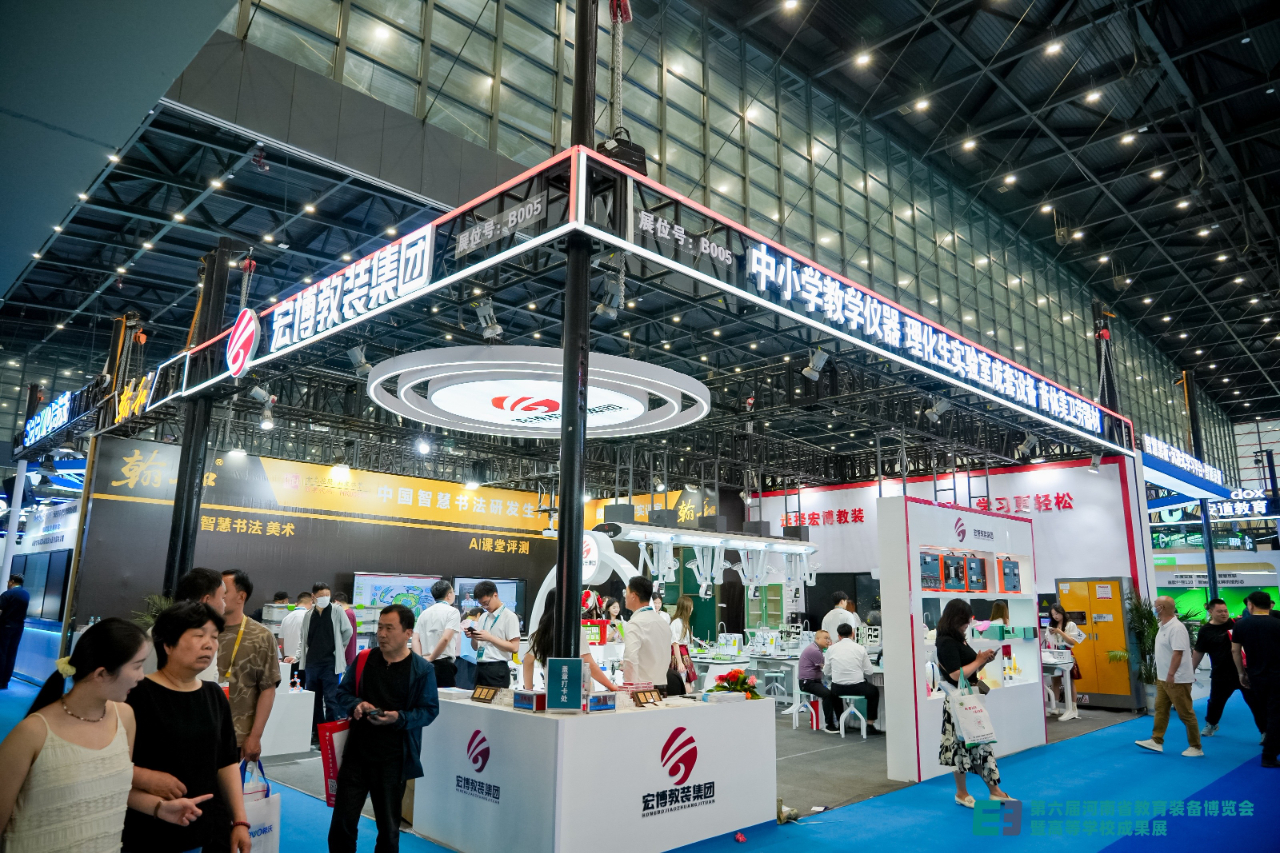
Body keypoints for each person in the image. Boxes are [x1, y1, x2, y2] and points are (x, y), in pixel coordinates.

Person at [0, 618, 210, 852]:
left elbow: (114, 786)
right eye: (137, 666)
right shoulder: (32, 733)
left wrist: (158, 807)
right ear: (101, 673)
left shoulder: (125, 717)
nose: (141, 676)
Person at [124, 601, 251, 853]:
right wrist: (146, 778)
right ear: (168, 644)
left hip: (208, 825)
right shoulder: (137, 694)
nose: (209, 644)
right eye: (198, 635)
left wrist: (239, 820)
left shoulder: (214, 695)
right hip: (151, 825)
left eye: (214, 637)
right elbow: (109, 764)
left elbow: (226, 763)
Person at [329, 604, 439, 853]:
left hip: (393, 760)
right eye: (380, 627)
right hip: (356, 755)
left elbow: (429, 710)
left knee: (388, 831)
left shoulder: (421, 670)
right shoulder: (364, 659)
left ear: (408, 633)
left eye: (389, 628)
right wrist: (357, 704)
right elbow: (342, 693)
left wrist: (398, 718)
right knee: (342, 825)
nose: (382, 634)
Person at [935, 598, 1013, 806]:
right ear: (955, 619)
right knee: (960, 748)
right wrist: (979, 661)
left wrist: (982, 660)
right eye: (965, 620)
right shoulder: (946, 642)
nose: (968, 624)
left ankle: (993, 790)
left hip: (968, 698)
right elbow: (955, 674)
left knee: (980, 743)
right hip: (958, 701)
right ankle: (964, 793)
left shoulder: (958, 638)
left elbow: (968, 670)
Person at [219, 569, 281, 762]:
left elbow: (268, 689)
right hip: (200, 733)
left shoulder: (261, 636)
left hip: (237, 737)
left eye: (224, 590)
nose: (218, 594)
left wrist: (255, 736)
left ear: (241, 596)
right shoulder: (204, 631)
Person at [1136, 596, 1202, 757]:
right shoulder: (1163, 626)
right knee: (1161, 709)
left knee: (1185, 713)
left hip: (1177, 679)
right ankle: (1156, 740)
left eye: (1155, 606)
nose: (1153, 608)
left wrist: (1171, 674)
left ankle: (1196, 747)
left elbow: (1178, 653)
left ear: (1161, 608)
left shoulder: (1176, 628)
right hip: (1163, 678)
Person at [521, 590, 620, 692]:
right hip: (577, 691)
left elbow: (527, 661)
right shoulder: (575, 630)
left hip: (552, 691)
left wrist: (529, 690)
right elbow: (589, 663)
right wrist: (611, 686)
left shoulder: (543, 633)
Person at [1195, 597, 1264, 739]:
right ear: (1210, 612)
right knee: (1215, 702)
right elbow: (1198, 651)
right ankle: (1211, 724)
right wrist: (1191, 670)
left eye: (1225, 611)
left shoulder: (1237, 624)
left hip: (1244, 672)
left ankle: (1265, 731)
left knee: (1256, 703)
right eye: (1219, 611)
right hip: (1221, 673)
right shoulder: (1205, 630)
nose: (1224, 614)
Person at [143, 567, 226, 680]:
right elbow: (202, 682)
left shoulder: (156, 628)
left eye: (214, 637)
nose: (225, 605)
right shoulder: (200, 638)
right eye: (223, 598)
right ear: (207, 600)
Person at [1232, 590, 1280, 767]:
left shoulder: (1240, 625)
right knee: (1275, 714)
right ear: (1269, 604)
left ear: (1250, 605)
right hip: (1277, 675)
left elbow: (1235, 651)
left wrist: (1241, 673)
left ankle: (1269, 747)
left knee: (1266, 712)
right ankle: (1269, 755)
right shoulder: (1278, 624)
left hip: (1255, 675)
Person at [299, 582, 354, 730]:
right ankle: (317, 731)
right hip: (312, 663)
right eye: (321, 595)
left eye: (327, 595)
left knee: (331, 699)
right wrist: (298, 656)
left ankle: (331, 732)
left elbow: (348, 631)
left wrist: (339, 647)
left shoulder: (337, 610)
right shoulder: (308, 615)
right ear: (313, 596)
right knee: (314, 700)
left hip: (330, 663)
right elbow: (304, 639)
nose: (324, 598)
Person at [825, 623, 880, 734]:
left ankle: (841, 724)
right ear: (853, 634)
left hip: (838, 689)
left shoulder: (831, 649)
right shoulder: (860, 648)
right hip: (858, 688)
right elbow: (869, 671)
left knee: (833, 693)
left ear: (839, 636)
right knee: (874, 691)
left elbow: (826, 672)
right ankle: (870, 724)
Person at [466, 581, 520, 688]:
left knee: (495, 698)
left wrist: (490, 638)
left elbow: (514, 647)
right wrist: (474, 637)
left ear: (495, 595)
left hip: (497, 669)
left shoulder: (509, 617)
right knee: (477, 698)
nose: (485, 607)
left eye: (486, 603)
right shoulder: (483, 617)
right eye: (482, 604)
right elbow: (475, 647)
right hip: (480, 667)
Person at [622, 576, 671, 688]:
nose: (625, 596)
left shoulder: (635, 623)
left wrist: (629, 689)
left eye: (626, 592)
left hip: (642, 689)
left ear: (633, 596)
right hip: (662, 686)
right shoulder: (663, 622)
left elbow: (630, 660)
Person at [413, 580, 461, 687]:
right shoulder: (453, 612)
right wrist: (432, 658)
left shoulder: (424, 613)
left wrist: (420, 660)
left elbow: (415, 639)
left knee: (426, 694)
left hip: (424, 664)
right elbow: (445, 639)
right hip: (443, 664)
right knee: (444, 696)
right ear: (449, 595)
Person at [1044, 602, 1085, 720]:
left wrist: (1059, 632)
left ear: (1062, 612)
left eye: (1057, 613)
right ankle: (1055, 706)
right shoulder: (1051, 625)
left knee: (1070, 681)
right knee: (1055, 680)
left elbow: (1072, 642)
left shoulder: (1070, 625)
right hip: (1054, 655)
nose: (1055, 616)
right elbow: (1047, 639)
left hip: (1067, 655)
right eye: (1053, 614)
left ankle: (1073, 708)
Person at [798, 630, 840, 732]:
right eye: (825, 638)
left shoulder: (816, 649)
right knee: (827, 694)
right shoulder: (815, 651)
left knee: (833, 692)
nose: (828, 641)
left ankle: (837, 721)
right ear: (817, 639)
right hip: (807, 682)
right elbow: (826, 669)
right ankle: (829, 724)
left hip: (814, 681)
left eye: (829, 638)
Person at [0, 574, 30, 689]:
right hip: (19, 627)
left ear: (12, 581)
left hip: (5, 626)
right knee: (12, 654)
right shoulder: (26, 594)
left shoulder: (8, 594)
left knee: (2, 653)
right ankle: (5, 682)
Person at [280, 591, 314, 678]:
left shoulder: (286, 618)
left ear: (297, 603)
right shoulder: (309, 617)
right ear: (311, 603)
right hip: (304, 661)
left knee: (292, 685)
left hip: (288, 661)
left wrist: (284, 656)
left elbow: (281, 642)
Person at [668, 595, 696, 695]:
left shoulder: (683, 622)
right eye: (691, 607)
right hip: (680, 655)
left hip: (684, 654)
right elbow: (675, 644)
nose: (692, 609)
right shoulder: (676, 623)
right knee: (683, 685)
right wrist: (680, 662)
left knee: (688, 685)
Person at [455, 607, 483, 690]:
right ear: (479, 615)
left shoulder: (458, 625)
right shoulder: (477, 625)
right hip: (472, 662)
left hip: (456, 661)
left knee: (458, 689)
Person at [334, 592, 359, 666]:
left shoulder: (347, 614)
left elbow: (345, 634)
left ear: (336, 602)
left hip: (346, 656)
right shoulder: (348, 613)